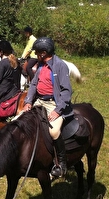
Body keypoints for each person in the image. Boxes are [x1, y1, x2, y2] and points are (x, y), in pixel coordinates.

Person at [23, 37, 73, 178]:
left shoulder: (60, 65)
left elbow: (66, 91)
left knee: (54, 131)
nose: (36, 55)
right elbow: (33, 85)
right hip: (40, 101)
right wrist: (28, 101)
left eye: (37, 52)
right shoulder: (40, 65)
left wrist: (58, 110)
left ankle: (61, 164)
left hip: (54, 103)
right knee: (19, 118)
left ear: (44, 52)